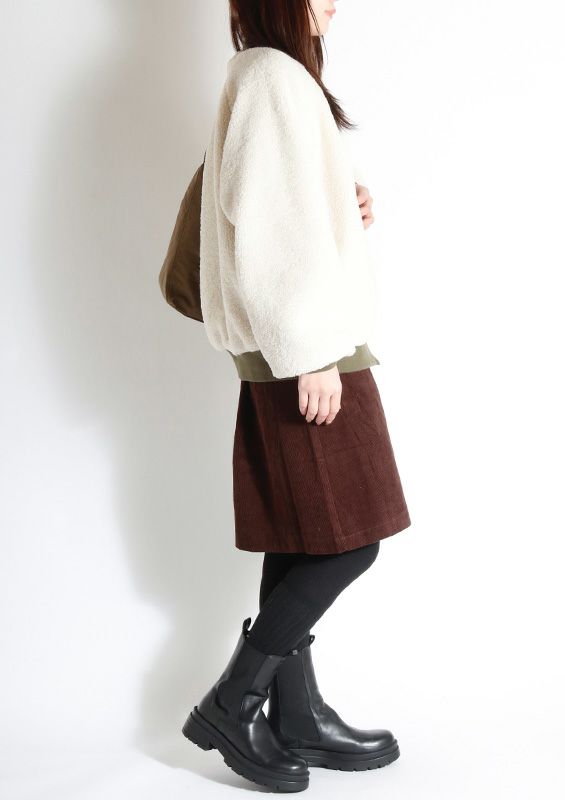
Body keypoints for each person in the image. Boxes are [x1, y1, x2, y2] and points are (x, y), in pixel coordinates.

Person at [182, 0, 412, 792]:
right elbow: (264, 232)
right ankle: (233, 701)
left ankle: (297, 714)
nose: (334, 4)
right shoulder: (271, 77)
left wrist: (344, 202)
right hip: (308, 349)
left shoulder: (268, 77)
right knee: (352, 538)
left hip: (298, 344)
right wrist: (309, 354)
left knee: (303, 537)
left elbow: (280, 211)